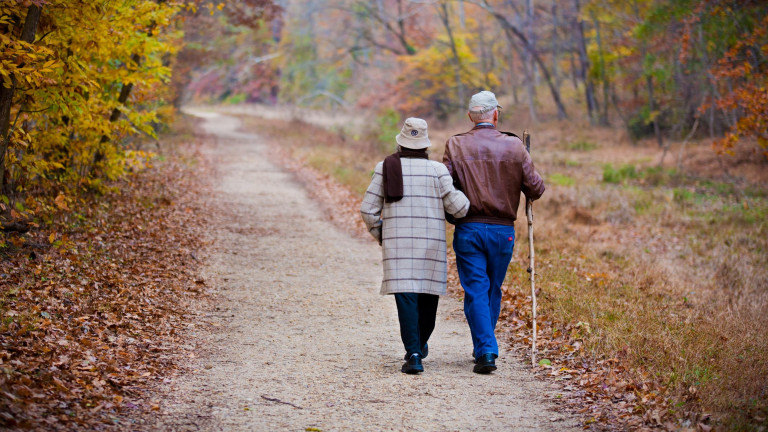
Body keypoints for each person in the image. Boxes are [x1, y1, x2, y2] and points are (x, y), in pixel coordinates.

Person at [442, 91, 545, 374]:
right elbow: (536, 188)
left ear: (470, 117)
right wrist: (523, 162)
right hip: (503, 232)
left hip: (469, 227)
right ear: (495, 115)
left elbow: (443, 184)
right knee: (491, 289)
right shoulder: (514, 146)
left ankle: (484, 348)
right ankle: (486, 348)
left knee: (476, 289)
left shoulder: (455, 144)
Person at [361, 117, 470, 374]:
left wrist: (382, 235)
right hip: (430, 245)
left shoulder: (385, 168)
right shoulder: (437, 171)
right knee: (427, 297)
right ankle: (419, 345)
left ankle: (413, 353)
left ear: (400, 143)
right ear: (425, 145)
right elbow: (460, 208)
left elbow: (368, 210)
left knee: (406, 297)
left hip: (398, 247)